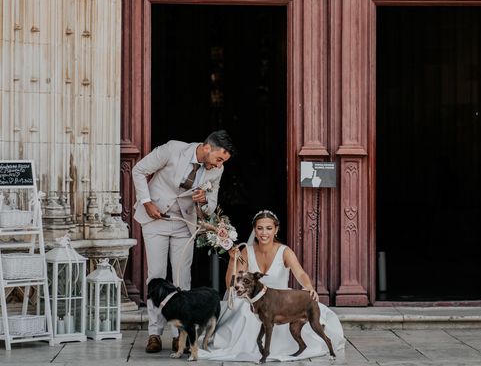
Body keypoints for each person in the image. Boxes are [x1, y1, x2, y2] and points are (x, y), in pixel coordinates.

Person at [131, 130, 235, 354]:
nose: (219, 165)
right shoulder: (172, 149)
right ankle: (154, 333)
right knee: (156, 276)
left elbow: (210, 205)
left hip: (184, 223)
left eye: (223, 162)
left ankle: (181, 336)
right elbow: (138, 170)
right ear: (207, 147)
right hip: (155, 218)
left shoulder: (217, 170)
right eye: (218, 159)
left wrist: (204, 200)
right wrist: (147, 202)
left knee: (182, 278)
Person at [199, 210, 345, 362]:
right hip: (254, 300)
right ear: (254, 230)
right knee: (245, 310)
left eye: (269, 228)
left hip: (280, 301)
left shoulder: (285, 252)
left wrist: (308, 286)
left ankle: (280, 348)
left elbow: (300, 273)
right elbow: (231, 284)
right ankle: (246, 348)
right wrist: (232, 261)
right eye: (260, 228)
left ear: (276, 229)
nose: (264, 233)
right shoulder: (246, 251)